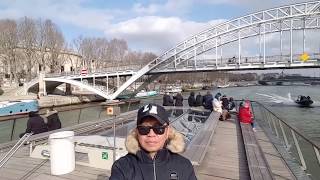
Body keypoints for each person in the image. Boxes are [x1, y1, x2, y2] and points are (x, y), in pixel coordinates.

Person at [110, 104, 197, 180]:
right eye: (144, 129)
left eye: (159, 129)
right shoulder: (122, 167)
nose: (151, 134)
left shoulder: (184, 165)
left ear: (167, 132)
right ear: (137, 133)